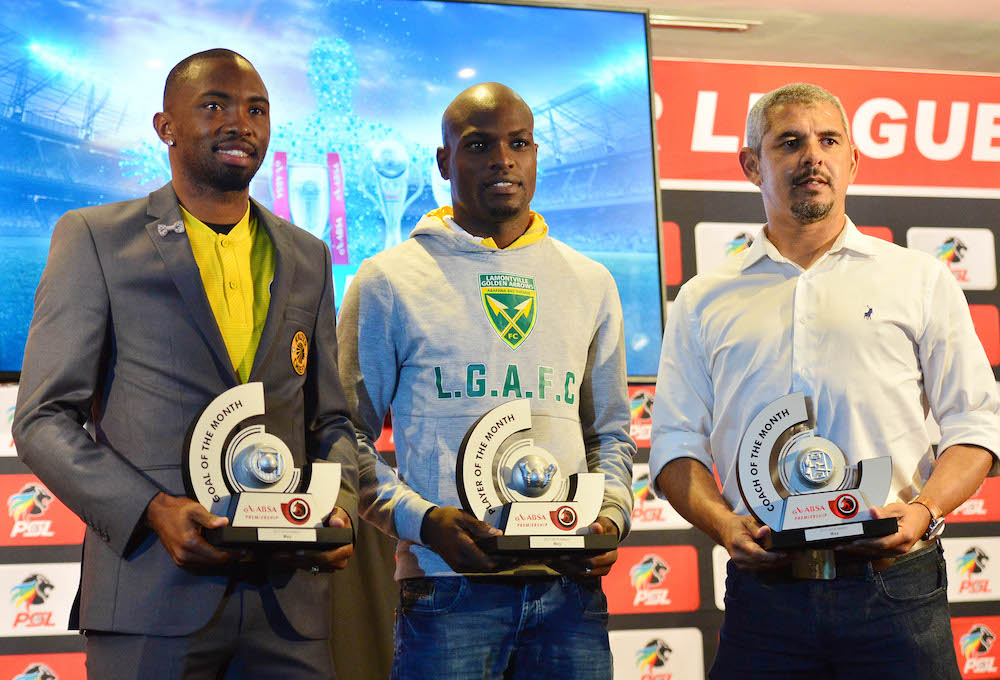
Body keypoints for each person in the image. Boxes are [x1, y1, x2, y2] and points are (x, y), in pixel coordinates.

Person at [12, 49, 358, 679]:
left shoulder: (308, 257)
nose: (241, 123)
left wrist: (340, 510)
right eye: (214, 105)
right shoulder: (95, 238)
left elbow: (331, 420)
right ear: (165, 126)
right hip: (152, 596)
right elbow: (42, 418)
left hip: (289, 608)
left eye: (256, 109)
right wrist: (152, 509)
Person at [649, 81, 1000, 679]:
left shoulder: (920, 279)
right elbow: (675, 445)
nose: (812, 155)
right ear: (751, 164)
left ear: (852, 160)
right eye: (789, 142)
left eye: (828, 139)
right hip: (766, 597)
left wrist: (921, 512)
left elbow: (975, 424)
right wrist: (725, 525)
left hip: (895, 587)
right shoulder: (703, 299)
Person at [337, 82, 634, 679]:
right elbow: (343, 440)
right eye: (478, 144)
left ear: (534, 154)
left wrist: (610, 518)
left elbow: (610, 435)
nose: (502, 159)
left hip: (568, 594)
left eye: (518, 143)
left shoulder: (590, 282)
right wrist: (422, 521)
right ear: (445, 161)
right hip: (448, 593)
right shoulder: (387, 280)